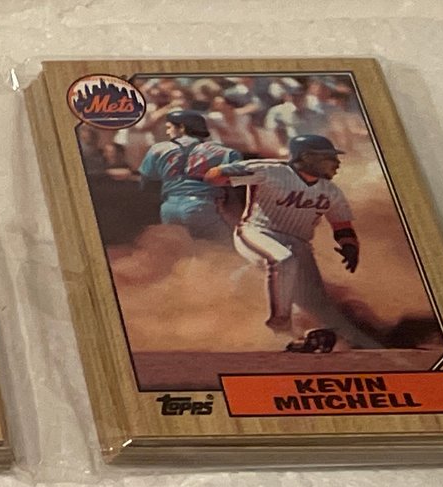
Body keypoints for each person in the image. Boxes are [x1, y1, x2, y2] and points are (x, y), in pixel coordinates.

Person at [203, 134, 382, 352]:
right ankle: (279, 329)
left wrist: (350, 246)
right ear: (307, 157)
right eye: (329, 157)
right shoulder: (271, 171)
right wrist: (237, 169)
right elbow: (212, 177)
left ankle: (357, 342)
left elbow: (342, 226)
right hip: (257, 233)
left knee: (319, 304)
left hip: (299, 244)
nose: (337, 163)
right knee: (283, 260)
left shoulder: (331, 191)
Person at [137, 110, 241, 241]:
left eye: (169, 127)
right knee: (224, 247)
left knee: (179, 250)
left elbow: (145, 185)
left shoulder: (157, 149)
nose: (167, 132)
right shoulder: (226, 152)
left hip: (169, 208)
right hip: (203, 206)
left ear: (182, 128)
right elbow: (238, 187)